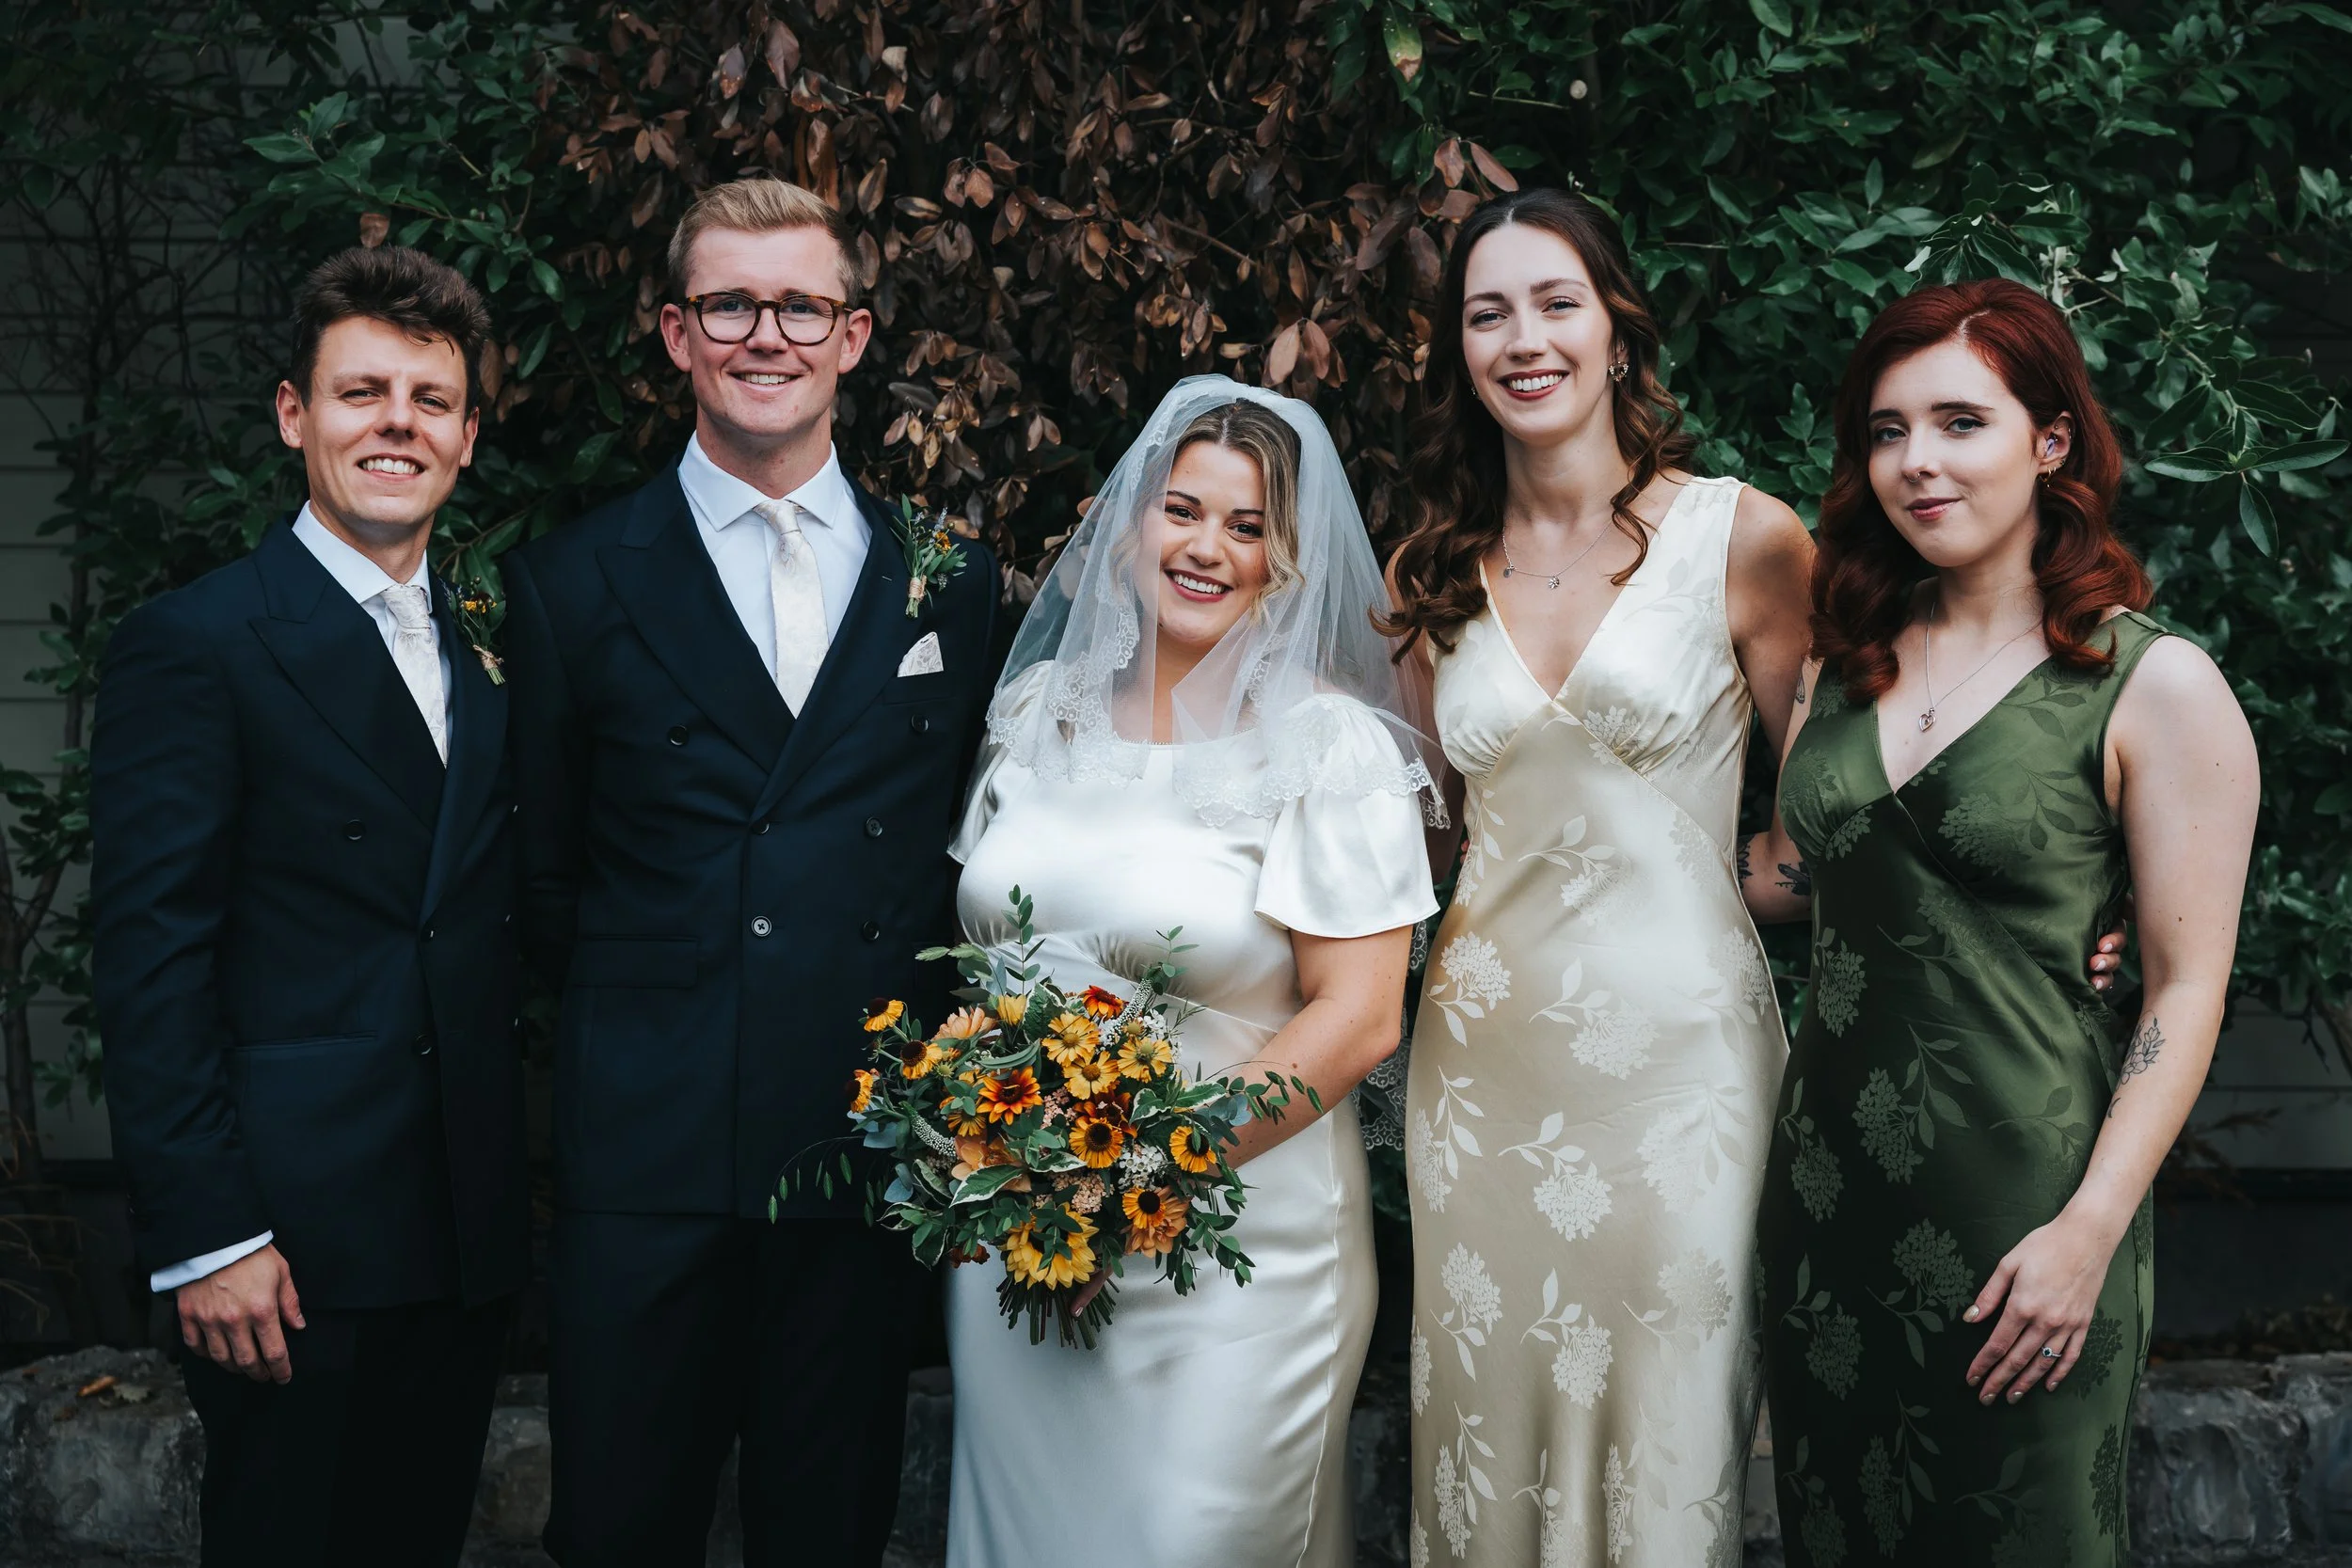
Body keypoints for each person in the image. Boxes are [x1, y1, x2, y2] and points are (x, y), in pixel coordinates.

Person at [505, 176, 996, 1567]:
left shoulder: (946, 573)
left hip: (854, 1147)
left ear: (852, 335)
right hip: (645, 1155)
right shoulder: (569, 580)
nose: (762, 333)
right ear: (676, 332)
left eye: (800, 304)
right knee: (616, 1527)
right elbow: (545, 881)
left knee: (828, 1530)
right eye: (729, 303)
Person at [1748, 277, 2259, 1566]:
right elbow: (1794, 881)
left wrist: (2089, 1229)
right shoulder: (1841, 658)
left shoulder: (2153, 683)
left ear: (2050, 440)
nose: (1916, 460)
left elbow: (2189, 988)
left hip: (2028, 1211)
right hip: (1828, 1207)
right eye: (1886, 429)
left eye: (1959, 421)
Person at [1379, 188, 1816, 1566]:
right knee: (1487, 1432)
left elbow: (1821, 829)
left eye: (1555, 302)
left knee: (1670, 1433)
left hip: (1684, 1079)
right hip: (1483, 1073)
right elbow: (1417, 849)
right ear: (1458, 350)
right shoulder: (1429, 573)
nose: (1525, 338)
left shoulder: (1745, 537)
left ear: (1616, 327)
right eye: (1487, 311)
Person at [944, 378, 1439, 1567]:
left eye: (1248, 524)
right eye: (1181, 509)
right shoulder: (1035, 715)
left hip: (1234, 1252)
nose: (1206, 546)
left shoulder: (1332, 747)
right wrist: (1024, 1175)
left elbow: (1363, 1017)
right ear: (1126, 529)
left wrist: (1131, 1177)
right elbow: (985, 974)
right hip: (1020, 1241)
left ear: (1291, 559)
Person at [90, 245, 527, 1566]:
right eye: (362, 391)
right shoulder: (202, 641)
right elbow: (150, 955)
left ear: (464, 437)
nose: (397, 421)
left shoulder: (497, 642)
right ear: (296, 415)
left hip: (458, 1229)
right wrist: (209, 1232)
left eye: (430, 398)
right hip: (284, 1244)